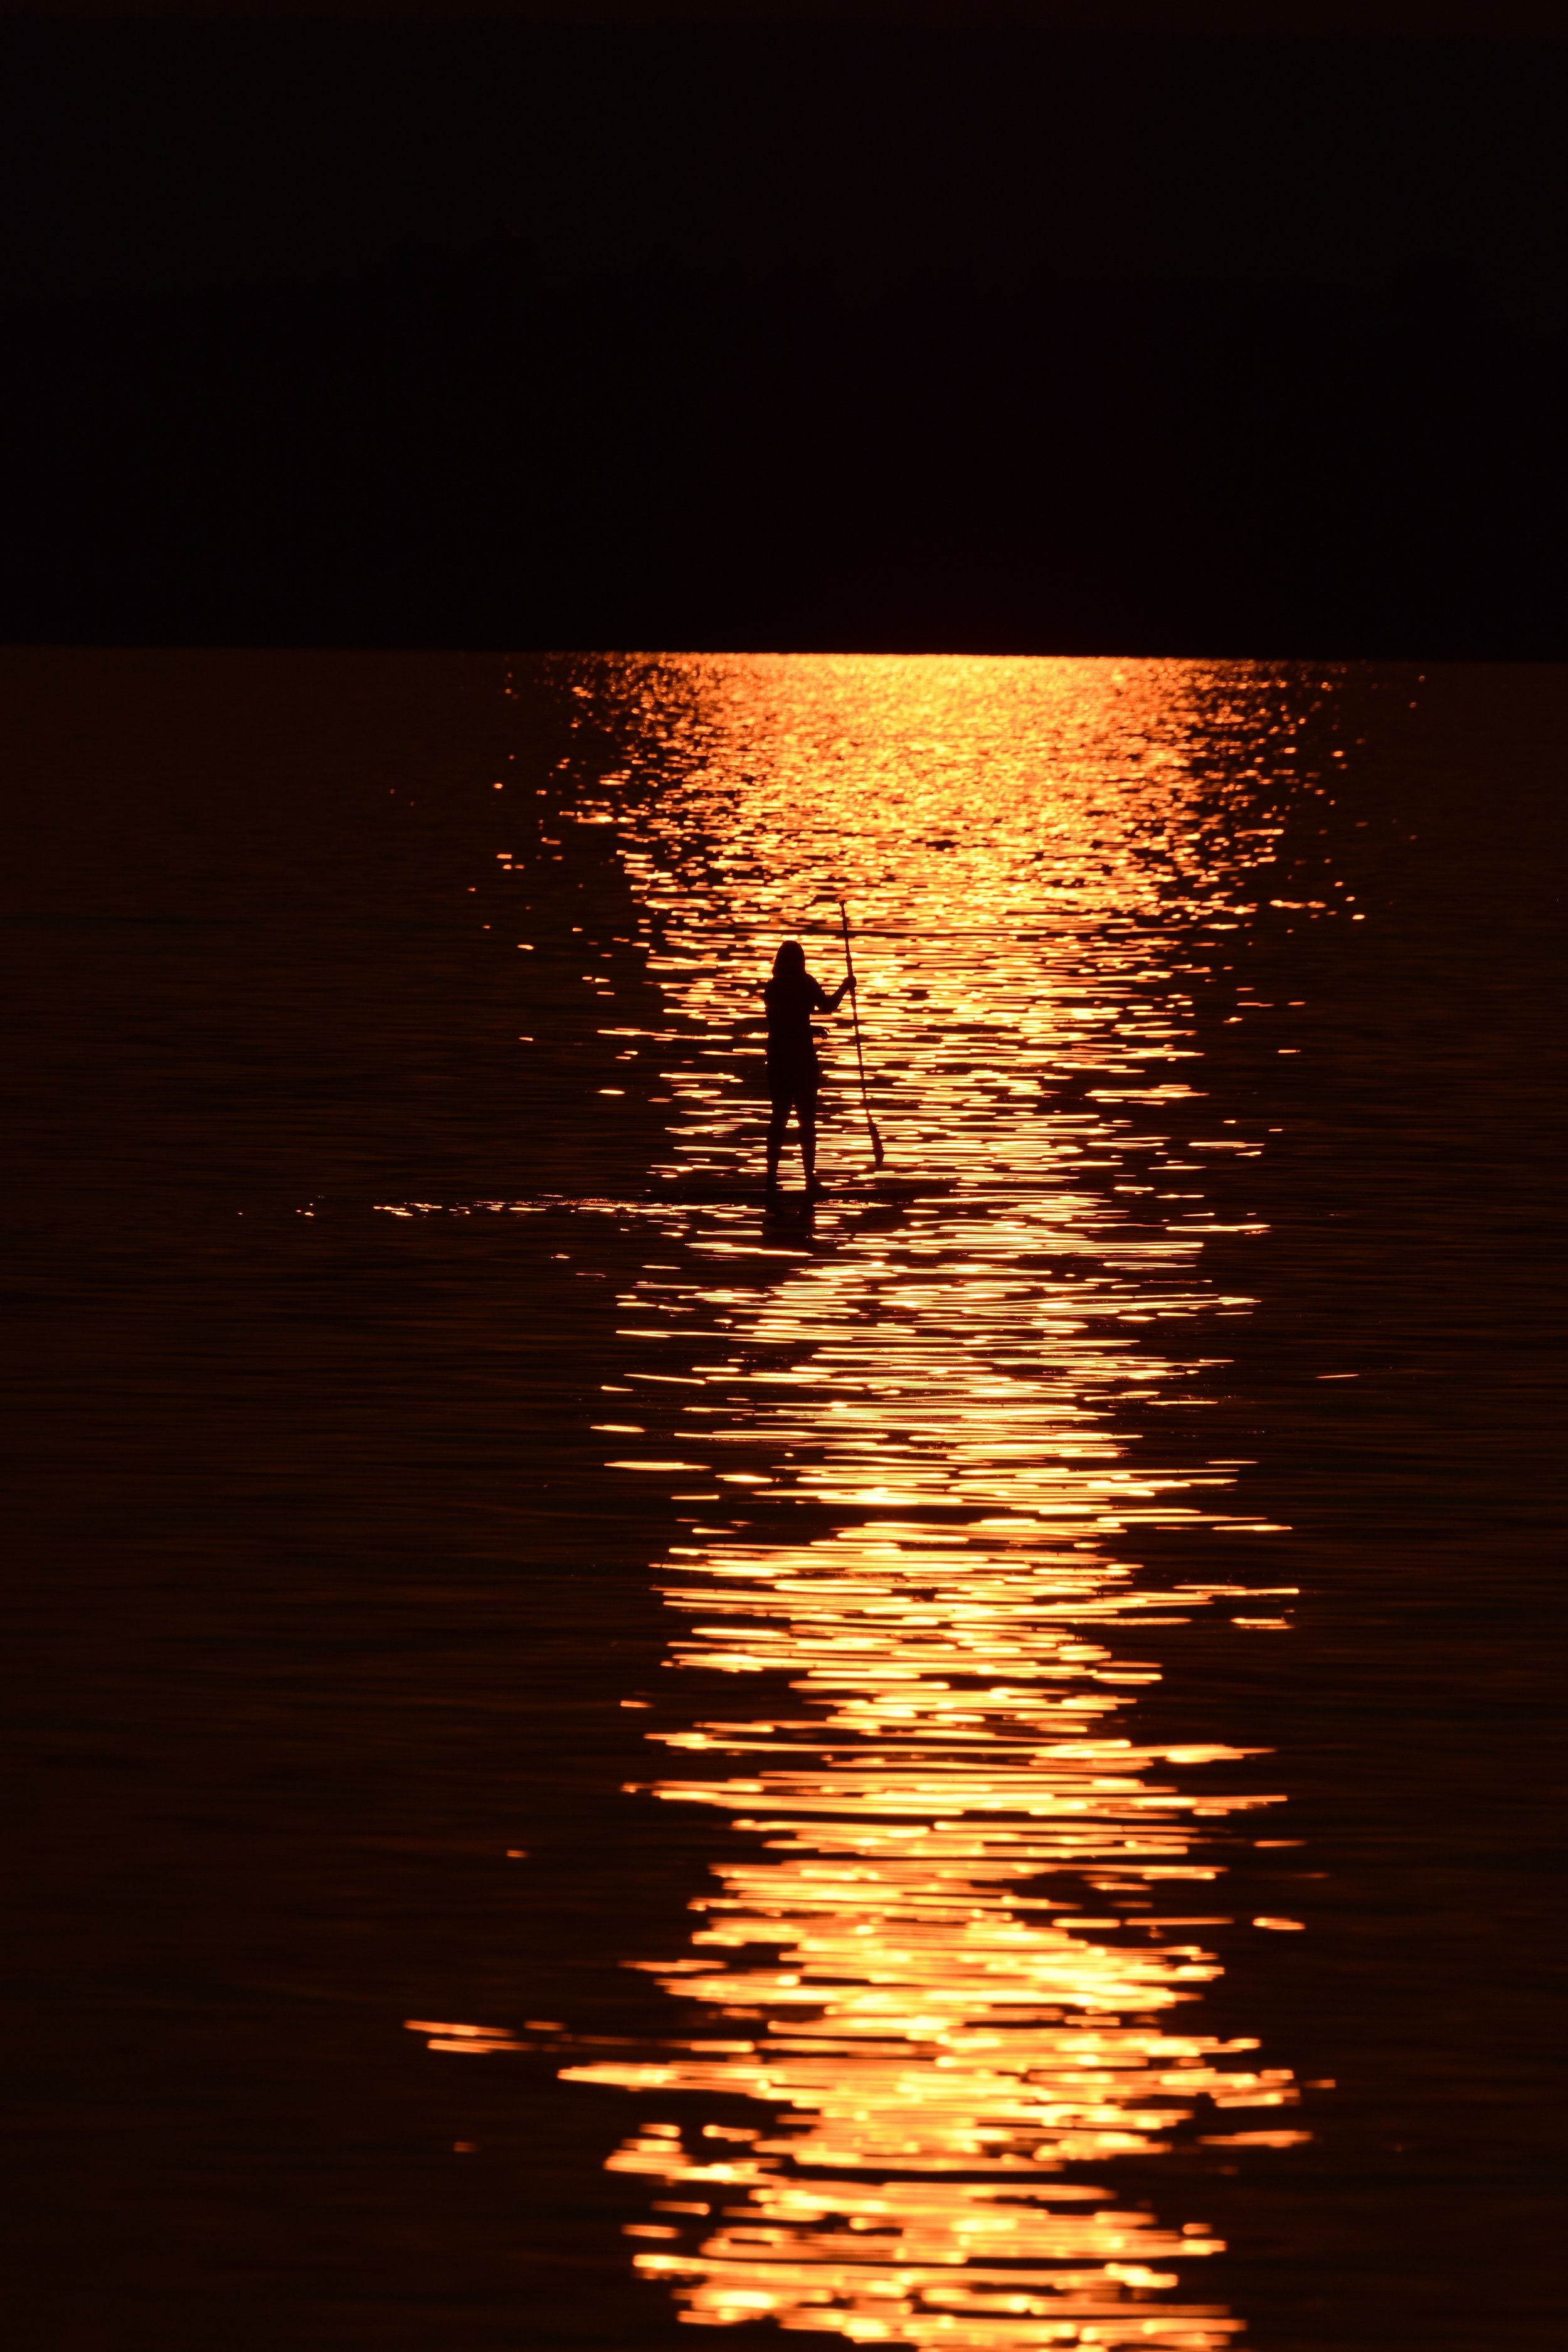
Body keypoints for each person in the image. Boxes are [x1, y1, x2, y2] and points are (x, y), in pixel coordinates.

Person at [763, 938, 854, 1195]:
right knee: (806, 1120)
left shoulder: (773, 987)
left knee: (779, 1117)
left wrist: (809, 1027)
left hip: (778, 1058)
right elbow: (827, 1007)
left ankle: (771, 1178)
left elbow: (782, 1023)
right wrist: (845, 987)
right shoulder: (805, 983)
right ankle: (809, 1178)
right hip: (801, 1058)